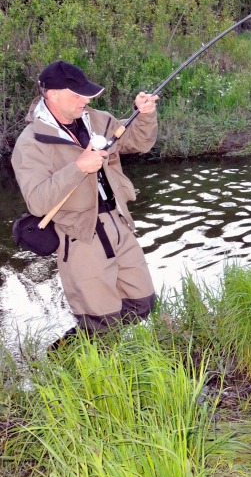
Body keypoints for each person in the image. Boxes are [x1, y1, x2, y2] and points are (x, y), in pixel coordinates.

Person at [11, 60, 159, 343]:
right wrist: (79, 166)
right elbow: (37, 201)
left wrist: (146, 115)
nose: (86, 100)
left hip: (118, 222)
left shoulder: (98, 120)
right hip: (79, 237)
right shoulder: (30, 143)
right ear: (52, 94)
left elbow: (139, 142)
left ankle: (99, 344)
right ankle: (70, 359)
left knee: (142, 302)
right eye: (77, 94)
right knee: (100, 320)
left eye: (87, 94)